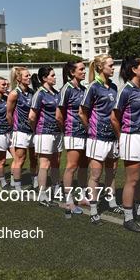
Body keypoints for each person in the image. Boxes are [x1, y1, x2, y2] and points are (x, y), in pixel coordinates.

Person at [111, 57, 140, 233]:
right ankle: (128, 218)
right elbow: (114, 118)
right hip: (132, 137)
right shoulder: (125, 90)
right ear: (134, 70)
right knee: (132, 179)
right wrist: (123, 136)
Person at [79, 55, 123, 225]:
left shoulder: (113, 86)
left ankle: (112, 203)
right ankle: (94, 209)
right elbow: (82, 112)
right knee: (96, 175)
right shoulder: (93, 87)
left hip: (112, 137)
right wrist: (90, 128)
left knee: (112, 173)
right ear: (100, 67)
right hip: (97, 138)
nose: (114, 68)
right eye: (111, 65)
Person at [57, 60, 91, 216]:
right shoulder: (67, 88)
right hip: (73, 133)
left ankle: (83, 196)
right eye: (81, 69)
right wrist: (67, 130)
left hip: (85, 132)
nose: (84, 71)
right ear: (72, 72)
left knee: (84, 166)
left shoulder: (84, 89)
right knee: (72, 166)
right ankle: (69, 201)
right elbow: (59, 115)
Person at [29, 66, 62, 207]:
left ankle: (56, 190)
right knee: (45, 164)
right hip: (44, 132)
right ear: (44, 78)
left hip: (57, 132)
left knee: (56, 162)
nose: (55, 77)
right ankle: (42, 195)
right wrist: (37, 131)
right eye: (52, 75)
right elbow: (31, 117)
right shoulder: (39, 94)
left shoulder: (56, 92)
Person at [7, 66, 38, 193]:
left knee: (34, 158)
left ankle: (35, 181)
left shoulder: (32, 92)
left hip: (32, 130)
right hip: (20, 130)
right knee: (20, 158)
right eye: (26, 76)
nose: (29, 77)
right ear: (18, 78)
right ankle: (17, 186)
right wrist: (14, 129)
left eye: (29, 75)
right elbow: (8, 114)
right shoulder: (14, 94)